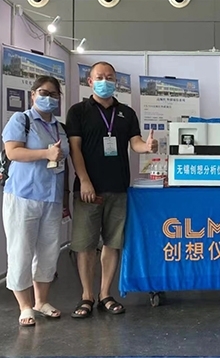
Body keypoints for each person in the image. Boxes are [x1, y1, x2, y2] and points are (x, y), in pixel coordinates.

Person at [66, 61, 158, 319]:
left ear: (116, 82)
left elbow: (135, 142)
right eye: (99, 77)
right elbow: (75, 149)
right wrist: (84, 180)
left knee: (112, 243)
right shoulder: (78, 111)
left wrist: (146, 147)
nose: (104, 81)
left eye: (109, 77)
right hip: (88, 190)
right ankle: (87, 296)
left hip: (118, 188)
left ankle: (105, 293)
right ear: (89, 81)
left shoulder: (126, 113)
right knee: (85, 245)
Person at [2, 76, 69, 326]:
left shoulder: (60, 127)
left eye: (54, 94)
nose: (48, 98)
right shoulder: (22, 120)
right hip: (23, 196)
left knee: (48, 252)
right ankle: (25, 306)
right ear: (33, 94)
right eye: (43, 92)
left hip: (51, 198)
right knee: (21, 251)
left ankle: (41, 301)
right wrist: (46, 153)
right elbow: (13, 152)